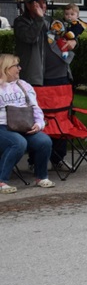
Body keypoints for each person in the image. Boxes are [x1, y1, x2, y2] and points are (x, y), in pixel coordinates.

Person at [14, 0, 72, 167]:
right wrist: (39, 18)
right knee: (37, 118)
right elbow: (30, 37)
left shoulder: (50, 21)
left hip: (58, 75)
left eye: (44, 3)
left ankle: (58, 158)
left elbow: (64, 36)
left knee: (61, 115)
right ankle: (35, 160)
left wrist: (74, 40)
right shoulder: (20, 22)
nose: (42, 6)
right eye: (38, 3)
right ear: (29, 5)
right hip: (36, 78)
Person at [0, 54, 55, 193]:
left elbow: (35, 107)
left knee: (44, 141)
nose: (20, 68)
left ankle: (41, 177)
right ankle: (2, 181)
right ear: (6, 68)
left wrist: (39, 124)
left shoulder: (24, 85)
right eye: (16, 66)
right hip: (3, 127)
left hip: (24, 125)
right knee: (18, 143)